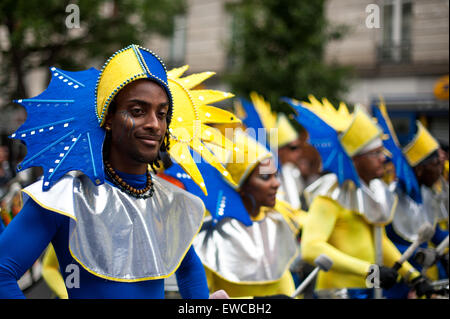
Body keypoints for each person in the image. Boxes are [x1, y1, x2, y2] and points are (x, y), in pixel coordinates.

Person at [0, 44, 232, 299]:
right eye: (138, 111)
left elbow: (188, 269)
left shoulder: (169, 201)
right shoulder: (64, 197)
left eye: (162, 113)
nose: (154, 124)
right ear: (108, 119)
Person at [283, 96, 428, 299]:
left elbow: (379, 241)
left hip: (369, 287)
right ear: (357, 159)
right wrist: (369, 270)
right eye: (376, 153)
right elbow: (311, 248)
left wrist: (412, 276)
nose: (383, 158)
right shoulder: (330, 194)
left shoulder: (372, 191)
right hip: (337, 293)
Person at [192, 131, 305, 298]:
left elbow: (283, 283)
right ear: (242, 185)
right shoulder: (212, 233)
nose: (276, 184)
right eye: (265, 177)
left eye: (275, 176)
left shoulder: (278, 222)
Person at [373, 104, 448, 298]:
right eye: (436, 164)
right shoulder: (391, 195)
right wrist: (417, 255)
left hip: (414, 280)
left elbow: (434, 234)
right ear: (420, 169)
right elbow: (379, 244)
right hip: (389, 281)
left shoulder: (426, 194)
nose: (442, 169)